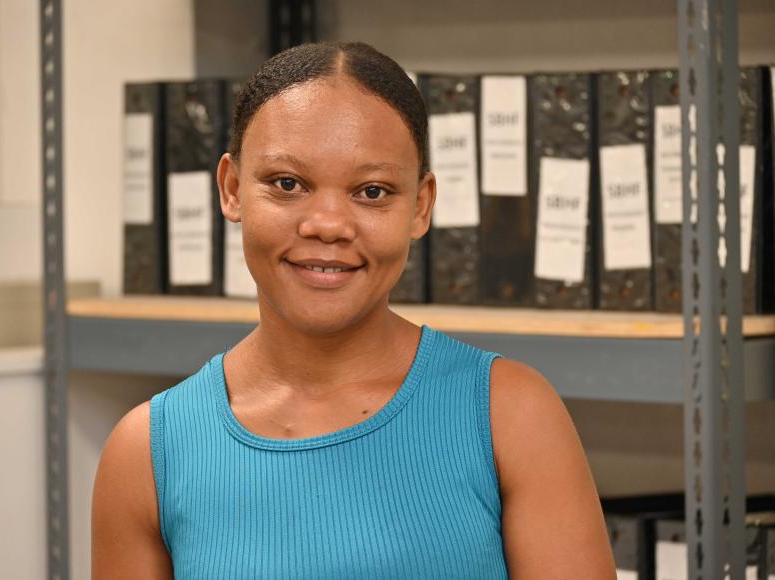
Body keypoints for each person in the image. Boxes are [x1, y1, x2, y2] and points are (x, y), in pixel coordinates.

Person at [92, 41, 616, 579]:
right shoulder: (147, 452)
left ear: (420, 205)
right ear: (231, 189)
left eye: (371, 191)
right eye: (287, 184)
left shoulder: (512, 415)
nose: (327, 224)